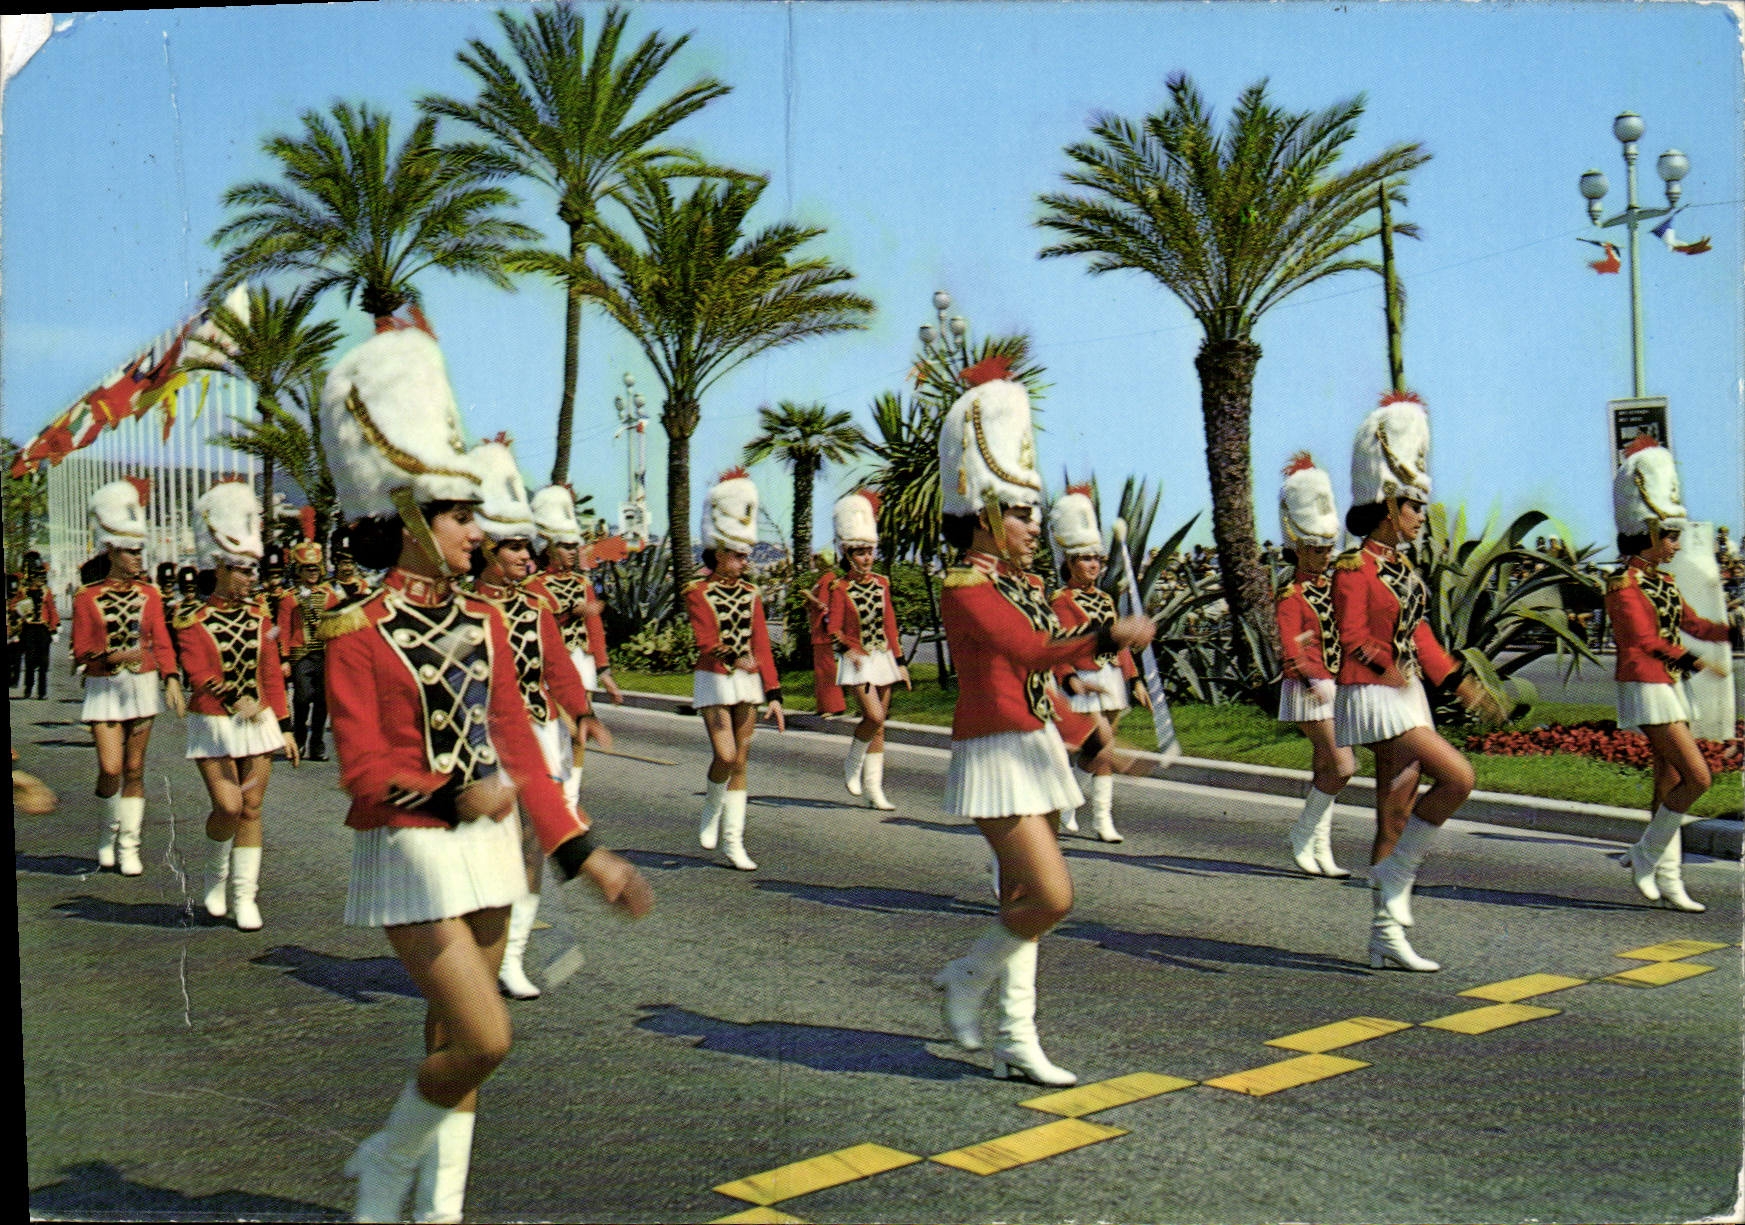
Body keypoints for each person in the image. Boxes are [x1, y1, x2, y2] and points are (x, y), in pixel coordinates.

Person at [319, 325, 652, 1224]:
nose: (480, 531)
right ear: (410, 518)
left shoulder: (495, 624)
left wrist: (588, 856)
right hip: (413, 850)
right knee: (486, 1036)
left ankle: (439, 1210)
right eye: (461, 515)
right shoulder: (352, 631)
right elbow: (360, 772)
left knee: (450, 1038)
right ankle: (385, 1160)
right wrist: (448, 792)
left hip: (489, 848)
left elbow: (520, 751)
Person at [931, 358, 1153, 1085]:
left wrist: (1092, 744)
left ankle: (1014, 1038)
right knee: (1052, 896)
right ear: (988, 512)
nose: (1034, 525)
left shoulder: (1021, 584)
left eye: (1032, 511)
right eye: (1022, 512)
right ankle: (966, 974)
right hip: (992, 750)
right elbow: (1026, 651)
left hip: (1032, 746)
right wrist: (1108, 638)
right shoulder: (965, 586)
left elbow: (1044, 683)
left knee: (1021, 900)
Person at [1333, 393, 1504, 973]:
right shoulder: (1352, 569)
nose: (1419, 517)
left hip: (1405, 695)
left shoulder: (1405, 571)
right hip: (1373, 695)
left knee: (1395, 815)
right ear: (1387, 504)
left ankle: (1384, 937)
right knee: (1458, 776)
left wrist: (1459, 684)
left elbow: (1422, 634)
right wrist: (1386, 666)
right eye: (1412, 506)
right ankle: (1396, 873)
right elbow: (1350, 634)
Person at [469, 441, 611, 999]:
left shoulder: (536, 605)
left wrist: (582, 711)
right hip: (481, 743)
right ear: (488, 552)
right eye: (513, 548)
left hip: (537, 734)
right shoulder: (467, 609)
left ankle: (513, 958)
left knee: (530, 842)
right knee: (488, 845)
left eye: (528, 547)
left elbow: (558, 667)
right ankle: (480, 948)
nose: (528, 558)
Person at [1607, 436, 1731, 912]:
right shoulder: (1622, 584)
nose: (1677, 544)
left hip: (1669, 684)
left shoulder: (1664, 581)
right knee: (1697, 777)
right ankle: (1645, 854)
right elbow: (1645, 641)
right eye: (1670, 535)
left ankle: (1668, 876)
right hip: (1646, 685)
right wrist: (1698, 662)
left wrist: (1729, 631)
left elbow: (1691, 623)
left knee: (1669, 777)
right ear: (1647, 534)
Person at [175, 481, 298, 931]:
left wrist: (284, 727)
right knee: (227, 805)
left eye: (254, 570)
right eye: (244, 571)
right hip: (214, 723)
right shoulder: (192, 619)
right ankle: (214, 875)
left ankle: (246, 896)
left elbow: (271, 674)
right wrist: (237, 700)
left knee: (252, 806)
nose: (253, 579)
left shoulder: (262, 620)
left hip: (258, 723)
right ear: (221, 568)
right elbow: (199, 672)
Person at [72, 478, 184, 876]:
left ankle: (130, 845)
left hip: (141, 686)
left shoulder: (151, 595)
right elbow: (80, 649)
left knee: (135, 768)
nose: (139, 558)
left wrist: (171, 677)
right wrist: (110, 655)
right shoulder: (86, 597)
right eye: (132, 552)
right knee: (110, 768)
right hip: (105, 686)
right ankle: (107, 832)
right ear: (112, 551)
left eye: (140, 551)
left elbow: (163, 640)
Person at [689, 468, 785, 871]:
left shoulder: (751, 594)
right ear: (718, 552)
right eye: (738, 555)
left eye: (747, 555)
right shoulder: (698, 593)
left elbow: (762, 642)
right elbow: (705, 639)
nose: (746, 563)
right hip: (715, 679)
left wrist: (774, 692)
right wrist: (733, 658)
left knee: (742, 759)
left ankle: (734, 842)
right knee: (725, 755)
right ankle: (711, 809)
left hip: (747, 682)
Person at [1047, 485, 1146, 843]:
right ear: (1069, 562)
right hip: (1083, 680)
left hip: (1112, 678)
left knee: (1096, 749)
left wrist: (1134, 680)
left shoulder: (1106, 598)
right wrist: (1068, 678)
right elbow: (1058, 645)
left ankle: (1072, 805)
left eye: (1097, 559)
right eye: (1085, 559)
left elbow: (1118, 645)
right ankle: (1101, 818)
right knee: (1100, 748)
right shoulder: (1060, 600)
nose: (1093, 565)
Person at [1273, 455, 1354, 877]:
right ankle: (1303, 834)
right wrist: (1310, 677)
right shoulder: (1290, 595)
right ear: (1298, 548)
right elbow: (1290, 646)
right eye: (1315, 550)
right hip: (1308, 689)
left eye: (1327, 549)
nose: (1323, 556)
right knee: (1343, 766)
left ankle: (1321, 847)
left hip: (1335, 685)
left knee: (1327, 767)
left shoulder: (1334, 587)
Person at [527, 484, 622, 812]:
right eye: (564, 546)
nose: (571, 551)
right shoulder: (533, 587)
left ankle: (570, 800)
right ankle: (557, 794)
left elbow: (595, 630)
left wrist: (604, 670)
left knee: (580, 734)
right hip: (550, 667)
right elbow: (539, 629)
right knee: (564, 728)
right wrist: (569, 613)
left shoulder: (583, 584)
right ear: (547, 547)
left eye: (574, 545)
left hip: (580, 664)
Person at [828, 489, 909, 811]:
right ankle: (852, 761)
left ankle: (875, 789)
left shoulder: (882, 584)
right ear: (848, 554)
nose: (867, 558)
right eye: (860, 552)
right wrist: (846, 647)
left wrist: (900, 662)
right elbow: (831, 626)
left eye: (870, 551)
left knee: (880, 723)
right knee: (872, 716)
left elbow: (890, 623)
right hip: (858, 661)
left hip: (882, 657)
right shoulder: (840, 588)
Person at [276, 526, 344, 762]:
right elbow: (283, 630)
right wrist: (283, 658)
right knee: (302, 698)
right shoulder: (289, 599)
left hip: (325, 654)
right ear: (300, 570)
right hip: (301, 654)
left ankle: (317, 743)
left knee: (323, 701)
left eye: (315, 568)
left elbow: (337, 626)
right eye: (308, 568)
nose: (312, 572)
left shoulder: (329, 596)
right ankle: (300, 740)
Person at [801, 550, 848, 718]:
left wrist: (808, 596)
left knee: (827, 669)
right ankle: (824, 705)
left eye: (817, 559)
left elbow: (822, 605)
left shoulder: (827, 579)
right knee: (822, 670)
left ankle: (834, 706)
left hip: (823, 631)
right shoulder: (823, 579)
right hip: (818, 630)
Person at [17, 568, 61, 701]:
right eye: (38, 578)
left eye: (42, 578)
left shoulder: (46, 592)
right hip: (28, 629)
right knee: (29, 660)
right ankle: (28, 689)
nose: (40, 580)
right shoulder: (23, 592)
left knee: (43, 662)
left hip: (43, 629)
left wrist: (54, 628)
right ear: (32, 578)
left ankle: (42, 691)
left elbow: (52, 610)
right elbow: (16, 607)